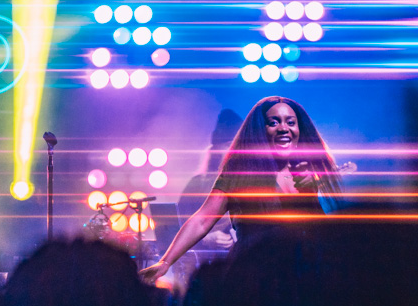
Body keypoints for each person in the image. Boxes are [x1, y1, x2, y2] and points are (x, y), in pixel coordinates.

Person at [141, 96, 343, 282]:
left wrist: (310, 197)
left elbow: (327, 235)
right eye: (274, 122)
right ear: (261, 132)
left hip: (302, 277)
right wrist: (166, 261)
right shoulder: (241, 171)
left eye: (290, 122)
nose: (283, 128)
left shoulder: (314, 174)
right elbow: (203, 219)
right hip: (254, 277)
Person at [177, 108, 243, 251]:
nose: (234, 152)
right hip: (206, 263)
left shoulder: (253, 184)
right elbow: (178, 227)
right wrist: (206, 239)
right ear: (216, 148)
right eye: (228, 145)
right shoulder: (196, 184)